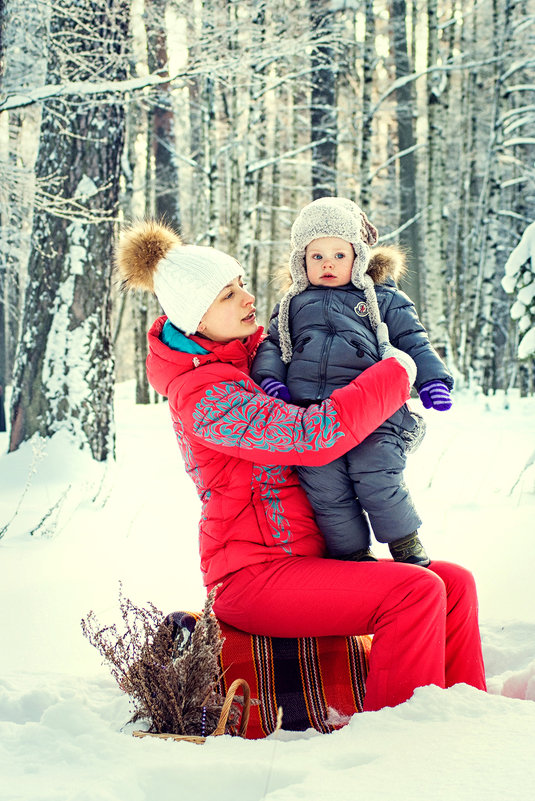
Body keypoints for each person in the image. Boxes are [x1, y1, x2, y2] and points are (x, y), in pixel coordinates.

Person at [115, 218, 486, 713]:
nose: (247, 298)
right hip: (254, 577)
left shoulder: (254, 359)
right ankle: (403, 743)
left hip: (312, 558)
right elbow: (313, 437)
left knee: (454, 584)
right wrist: (397, 371)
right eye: (227, 295)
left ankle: (467, 715)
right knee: (414, 592)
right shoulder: (206, 396)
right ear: (195, 320)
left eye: (241, 284)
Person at [251, 197, 453, 567]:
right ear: (302, 261)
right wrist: (270, 380)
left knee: (374, 468)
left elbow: (413, 340)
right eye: (317, 257)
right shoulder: (292, 304)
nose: (328, 264)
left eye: (339, 255)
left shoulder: (383, 299)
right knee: (324, 485)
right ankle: (352, 556)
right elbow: (273, 347)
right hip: (312, 417)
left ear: (358, 256)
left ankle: (404, 541)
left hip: (374, 414)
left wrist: (431, 380)